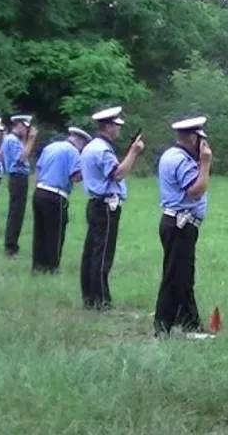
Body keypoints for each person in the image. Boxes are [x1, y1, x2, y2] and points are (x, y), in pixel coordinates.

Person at [153, 116, 214, 340]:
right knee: (174, 277)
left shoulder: (171, 155)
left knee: (183, 276)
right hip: (180, 224)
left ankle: (190, 324)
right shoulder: (181, 160)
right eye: (200, 139)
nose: (204, 145)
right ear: (191, 137)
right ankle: (162, 327)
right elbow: (195, 190)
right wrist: (205, 164)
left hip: (178, 223)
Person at [79, 106, 144, 311]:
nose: (118, 130)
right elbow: (117, 174)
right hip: (106, 206)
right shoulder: (103, 150)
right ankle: (101, 300)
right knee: (103, 253)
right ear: (108, 127)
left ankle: (89, 296)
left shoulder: (91, 146)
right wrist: (133, 152)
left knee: (91, 251)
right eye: (116, 126)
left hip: (95, 203)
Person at [32, 126, 91, 274]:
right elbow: (75, 177)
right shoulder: (73, 153)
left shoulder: (50, 147)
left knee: (39, 231)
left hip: (39, 191)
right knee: (55, 233)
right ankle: (52, 266)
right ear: (79, 141)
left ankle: (37, 265)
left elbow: (38, 170)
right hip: (55, 195)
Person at [2, 114, 38, 257]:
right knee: (16, 213)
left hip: (18, 178)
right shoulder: (12, 140)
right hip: (17, 177)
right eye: (26, 127)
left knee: (17, 212)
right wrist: (31, 139)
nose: (28, 131)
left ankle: (12, 244)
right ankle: (10, 246)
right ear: (20, 125)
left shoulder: (14, 140)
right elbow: (22, 158)